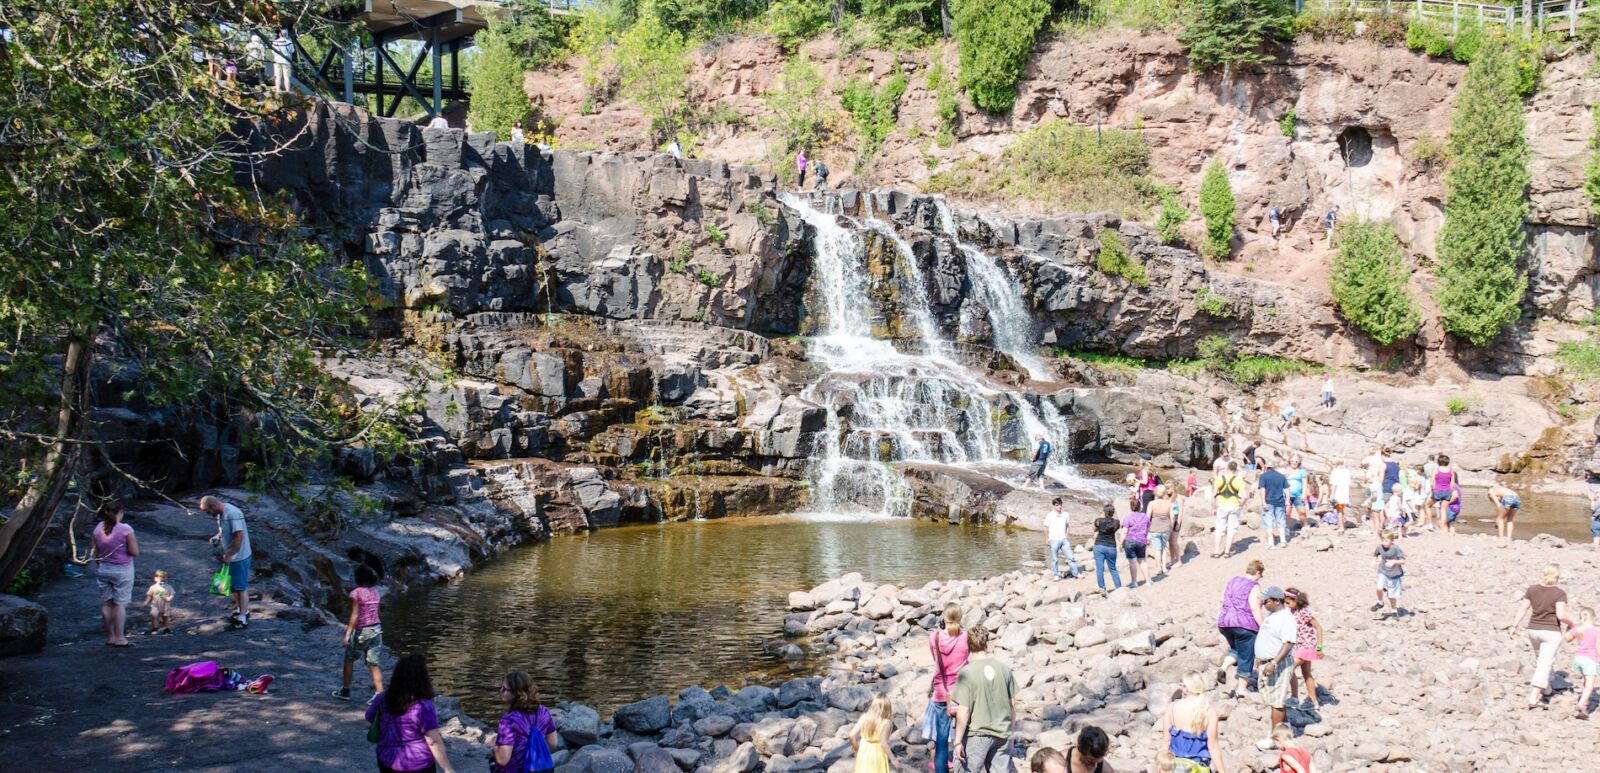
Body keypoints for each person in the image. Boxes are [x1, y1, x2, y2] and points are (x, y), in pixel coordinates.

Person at [366, 654, 457, 773]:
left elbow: (368, 722)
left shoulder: (382, 697)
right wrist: (447, 768)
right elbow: (433, 741)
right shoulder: (423, 706)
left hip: (387, 759)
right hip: (417, 763)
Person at [950, 626, 1017, 773]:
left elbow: (964, 709)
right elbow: (1012, 705)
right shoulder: (1004, 669)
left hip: (977, 734)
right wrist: (1011, 734)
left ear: (968, 646)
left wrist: (957, 742)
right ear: (987, 644)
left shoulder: (967, 672)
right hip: (1002, 734)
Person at [1507, 563, 1570, 710]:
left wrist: (1514, 626)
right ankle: (1534, 697)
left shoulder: (1532, 589)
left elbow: (1523, 608)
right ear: (1557, 576)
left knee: (1541, 659)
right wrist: (1571, 623)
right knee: (1544, 663)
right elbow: (1561, 615)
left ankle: (1547, 688)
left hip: (1533, 630)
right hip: (1551, 631)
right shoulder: (1559, 593)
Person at [1250, 586, 1296, 752]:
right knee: (1276, 699)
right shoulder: (1274, 615)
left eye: (1266, 601)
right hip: (1266, 662)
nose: (1263, 604)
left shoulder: (1286, 618)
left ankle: (1274, 738)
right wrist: (1259, 658)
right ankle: (1285, 729)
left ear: (1277, 601)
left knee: (1276, 702)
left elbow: (1288, 643)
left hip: (1277, 664)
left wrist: (1274, 662)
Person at [90, 500, 139, 647]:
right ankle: (120, 638)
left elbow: (95, 551)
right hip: (123, 570)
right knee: (120, 604)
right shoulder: (125, 529)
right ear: (120, 513)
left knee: (107, 603)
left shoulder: (98, 528)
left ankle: (110, 637)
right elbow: (134, 552)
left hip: (104, 569)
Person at [199, 495, 252, 628]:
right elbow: (223, 530)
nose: (207, 514)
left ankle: (243, 618)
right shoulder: (220, 514)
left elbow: (239, 536)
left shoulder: (233, 513)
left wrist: (229, 555)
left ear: (214, 506)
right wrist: (217, 537)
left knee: (240, 587)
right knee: (233, 586)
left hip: (239, 556)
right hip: (231, 555)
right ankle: (241, 610)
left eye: (207, 511)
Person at [335, 564, 385, 701]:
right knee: (373, 664)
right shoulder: (375, 592)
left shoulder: (355, 593)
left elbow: (354, 615)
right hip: (377, 629)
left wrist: (348, 634)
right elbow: (377, 612)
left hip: (363, 630)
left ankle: (345, 691)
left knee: (349, 659)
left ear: (357, 578)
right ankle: (379, 694)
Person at [491, 671, 558, 773]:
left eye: (504, 689)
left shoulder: (509, 720)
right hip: (539, 768)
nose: (500, 691)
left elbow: (502, 760)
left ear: (517, 693)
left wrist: (494, 747)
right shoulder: (544, 711)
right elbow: (553, 743)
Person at [929, 603, 969, 773]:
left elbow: (935, 660)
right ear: (960, 618)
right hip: (963, 692)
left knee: (941, 740)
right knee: (965, 737)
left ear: (944, 618)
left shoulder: (934, 637)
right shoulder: (967, 636)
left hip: (941, 693)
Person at [1160, 672, 1225, 773]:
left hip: (1176, 766)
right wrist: (1222, 771)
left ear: (1186, 688)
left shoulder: (1172, 708)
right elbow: (1213, 747)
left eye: (1182, 685)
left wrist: (1162, 765)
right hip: (1199, 767)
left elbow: (1166, 741)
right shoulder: (1209, 712)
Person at [1216, 560, 1265, 692]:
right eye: (1261, 575)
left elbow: (1222, 600)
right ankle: (1241, 691)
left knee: (1237, 649)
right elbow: (1255, 608)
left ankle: (1224, 667)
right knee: (1247, 655)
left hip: (1225, 623)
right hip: (1244, 625)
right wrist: (1263, 627)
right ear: (1258, 572)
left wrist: (1223, 615)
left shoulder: (1232, 580)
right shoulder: (1254, 586)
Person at [1283, 588, 1323, 707]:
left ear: (1295, 599)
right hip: (1300, 646)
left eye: (1288, 602)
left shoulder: (1304, 612)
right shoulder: (1293, 611)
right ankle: (1313, 701)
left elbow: (1319, 628)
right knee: (1307, 674)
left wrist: (1319, 647)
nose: (1287, 605)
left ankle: (1294, 697)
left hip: (1307, 647)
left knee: (1288, 668)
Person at [1211, 462, 1250, 559]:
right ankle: (1227, 552)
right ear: (1235, 469)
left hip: (1222, 505)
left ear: (1227, 468)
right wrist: (1241, 504)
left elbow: (1213, 495)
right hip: (1234, 506)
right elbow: (1245, 496)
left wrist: (1213, 507)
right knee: (1232, 529)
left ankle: (1216, 551)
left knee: (1219, 529)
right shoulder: (1239, 480)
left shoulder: (1219, 479)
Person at [849, 694, 894, 773]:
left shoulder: (864, 717)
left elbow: (851, 735)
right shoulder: (886, 723)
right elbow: (883, 743)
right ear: (887, 708)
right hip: (877, 754)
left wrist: (857, 748)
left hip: (863, 752)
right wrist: (893, 760)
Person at [1566, 606, 1598, 718]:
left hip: (1579, 658)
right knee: (1590, 685)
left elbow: (1567, 638)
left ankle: (1585, 701)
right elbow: (1598, 646)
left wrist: (1569, 629)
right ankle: (1581, 704)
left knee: (1585, 681)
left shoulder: (1578, 629)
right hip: (1590, 659)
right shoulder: (1597, 630)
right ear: (1593, 618)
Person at [1044, 498, 1082, 581]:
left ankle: (1076, 573)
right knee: (1054, 559)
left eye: (1060, 504)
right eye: (1057, 505)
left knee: (1071, 557)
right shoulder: (1049, 515)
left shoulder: (1065, 514)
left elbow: (1068, 525)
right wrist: (1047, 538)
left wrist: (1066, 536)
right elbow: (1045, 527)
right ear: (1054, 506)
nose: (1059, 506)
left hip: (1064, 540)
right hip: (1053, 540)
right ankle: (1056, 575)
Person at [1371, 531, 1405, 618]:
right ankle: (1380, 602)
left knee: (1392, 595)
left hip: (1394, 574)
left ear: (1392, 541)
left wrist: (1394, 562)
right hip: (1383, 570)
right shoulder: (1380, 547)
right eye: (1382, 540)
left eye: (1386, 541)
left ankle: (1394, 610)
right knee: (1379, 588)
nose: (1384, 543)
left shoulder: (1396, 548)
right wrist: (1374, 561)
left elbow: (1403, 561)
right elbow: (1376, 554)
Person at [1258, 460, 1289, 551]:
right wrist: (1287, 500)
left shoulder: (1263, 476)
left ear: (1267, 467)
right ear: (1275, 467)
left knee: (1269, 522)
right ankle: (1283, 541)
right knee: (1281, 521)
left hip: (1269, 501)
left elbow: (1262, 489)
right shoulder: (1281, 476)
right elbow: (1287, 489)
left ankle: (1271, 543)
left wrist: (1263, 502)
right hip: (1280, 501)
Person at [1092, 504, 1122, 592]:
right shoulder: (1116, 522)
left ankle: (1102, 588)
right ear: (1113, 512)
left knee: (1099, 568)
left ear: (1104, 512)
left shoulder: (1098, 521)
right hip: (1111, 546)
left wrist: (1101, 516)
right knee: (1113, 568)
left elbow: (1094, 529)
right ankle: (1119, 588)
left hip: (1099, 545)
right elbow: (1114, 527)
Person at [1147, 485, 1175, 577]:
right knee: (1163, 548)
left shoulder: (1151, 503)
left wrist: (1146, 530)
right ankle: (1164, 567)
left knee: (1157, 549)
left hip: (1154, 528)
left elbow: (1147, 517)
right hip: (1166, 528)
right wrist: (1171, 527)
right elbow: (1172, 517)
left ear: (1155, 493)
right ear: (1164, 493)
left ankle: (1158, 568)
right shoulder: (1169, 504)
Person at [1122, 505, 1151, 589]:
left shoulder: (1128, 517)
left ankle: (1134, 582)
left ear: (1131, 507)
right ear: (1140, 508)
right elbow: (1148, 528)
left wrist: (1121, 543)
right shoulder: (1145, 517)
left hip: (1130, 540)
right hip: (1142, 540)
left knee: (1132, 562)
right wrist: (1146, 536)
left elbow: (1124, 531)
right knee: (1142, 561)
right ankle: (1148, 580)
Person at [1428, 454, 1458, 532]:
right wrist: (1450, 492)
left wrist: (1432, 491)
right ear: (1448, 462)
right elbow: (1452, 484)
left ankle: (1430, 524)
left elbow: (1432, 483)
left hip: (1437, 491)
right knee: (1443, 510)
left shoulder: (1436, 470)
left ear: (1438, 462)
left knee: (1428, 506)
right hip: (1447, 492)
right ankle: (1442, 527)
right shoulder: (1451, 471)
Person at [144, 569, 174, 635]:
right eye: (161, 578)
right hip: (155, 605)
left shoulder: (168, 587)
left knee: (165, 617)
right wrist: (146, 602)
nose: (163, 579)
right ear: (156, 578)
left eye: (165, 577)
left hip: (165, 605)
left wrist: (169, 598)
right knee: (154, 615)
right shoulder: (153, 587)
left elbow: (172, 593)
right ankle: (155, 627)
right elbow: (149, 595)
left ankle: (166, 628)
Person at [1285, 456, 1310, 534]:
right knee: (1287, 513)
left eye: (1296, 461)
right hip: (1287, 495)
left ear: (1299, 462)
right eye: (1292, 461)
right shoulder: (1286, 471)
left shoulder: (1302, 471)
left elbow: (1305, 484)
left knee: (1302, 512)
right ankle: (1287, 529)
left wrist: (1304, 494)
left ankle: (1305, 526)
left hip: (1298, 495)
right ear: (1289, 461)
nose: (1294, 462)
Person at [1327, 459, 1351, 534]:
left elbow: (1334, 484)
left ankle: (1341, 527)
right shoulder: (1347, 471)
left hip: (1337, 493)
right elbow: (1349, 483)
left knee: (1338, 510)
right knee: (1341, 509)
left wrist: (1332, 494)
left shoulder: (1335, 471)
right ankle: (1340, 524)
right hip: (1345, 493)